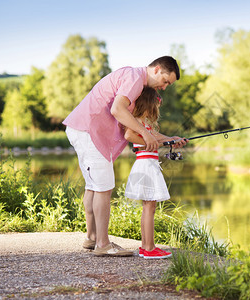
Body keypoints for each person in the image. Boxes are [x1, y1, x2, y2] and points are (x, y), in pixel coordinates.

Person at [63, 56, 187, 257]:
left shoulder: (134, 80)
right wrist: (145, 133)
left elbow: (127, 120)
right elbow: (117, 109)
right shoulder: (135, 77)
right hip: (90, 131)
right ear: (156, 69)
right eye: (166, 81)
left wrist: (168, 139)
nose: (164, 87)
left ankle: (92, 237)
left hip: (84, 129)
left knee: (94, 186)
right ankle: (102, 244)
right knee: (103, 187)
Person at [124, 87, 174, 259]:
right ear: (149, 104)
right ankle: (150, 248)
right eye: (155, 106)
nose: (156, 111)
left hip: (147, 165)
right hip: (146, 165)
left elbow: (156, 135)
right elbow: (129, 135)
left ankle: (146, 247)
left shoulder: (144, 122)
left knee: (148, 207)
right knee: (149, 206)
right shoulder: (137, 120)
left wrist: (172, 140)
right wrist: (148, 143)